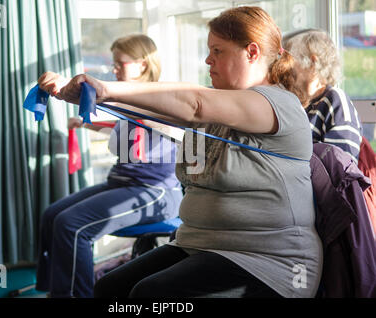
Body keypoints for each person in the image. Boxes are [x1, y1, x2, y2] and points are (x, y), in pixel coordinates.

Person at [39, 6, 323, 298]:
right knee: (110, 288)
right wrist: (86, 96)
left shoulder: (277, 104)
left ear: (251, 52)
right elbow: (150, 110)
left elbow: (195, 103)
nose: (207, 59)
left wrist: (105, 89)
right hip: (200, 245)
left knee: (150, 296)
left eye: (218, 50)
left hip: (267, 262)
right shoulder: (222, 106)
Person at [35, 34, 183, 298]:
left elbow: (142, 115)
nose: (114, 69)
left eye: (120, 63)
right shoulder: (128, 100)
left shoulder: (161, 96)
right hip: (121, 182)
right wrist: (85, 123)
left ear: (143, 65)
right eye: (113, 63)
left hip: (155, 191)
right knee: (51, 215)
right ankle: (57, 291)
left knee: (71, 225)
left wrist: (78, 90)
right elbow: (124, 124)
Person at [283, 29, 363, 162]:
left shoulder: (336, 101)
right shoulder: (296, 101)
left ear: (313, 63)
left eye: (290, 60)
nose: (285, 67)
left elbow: (341, 169)